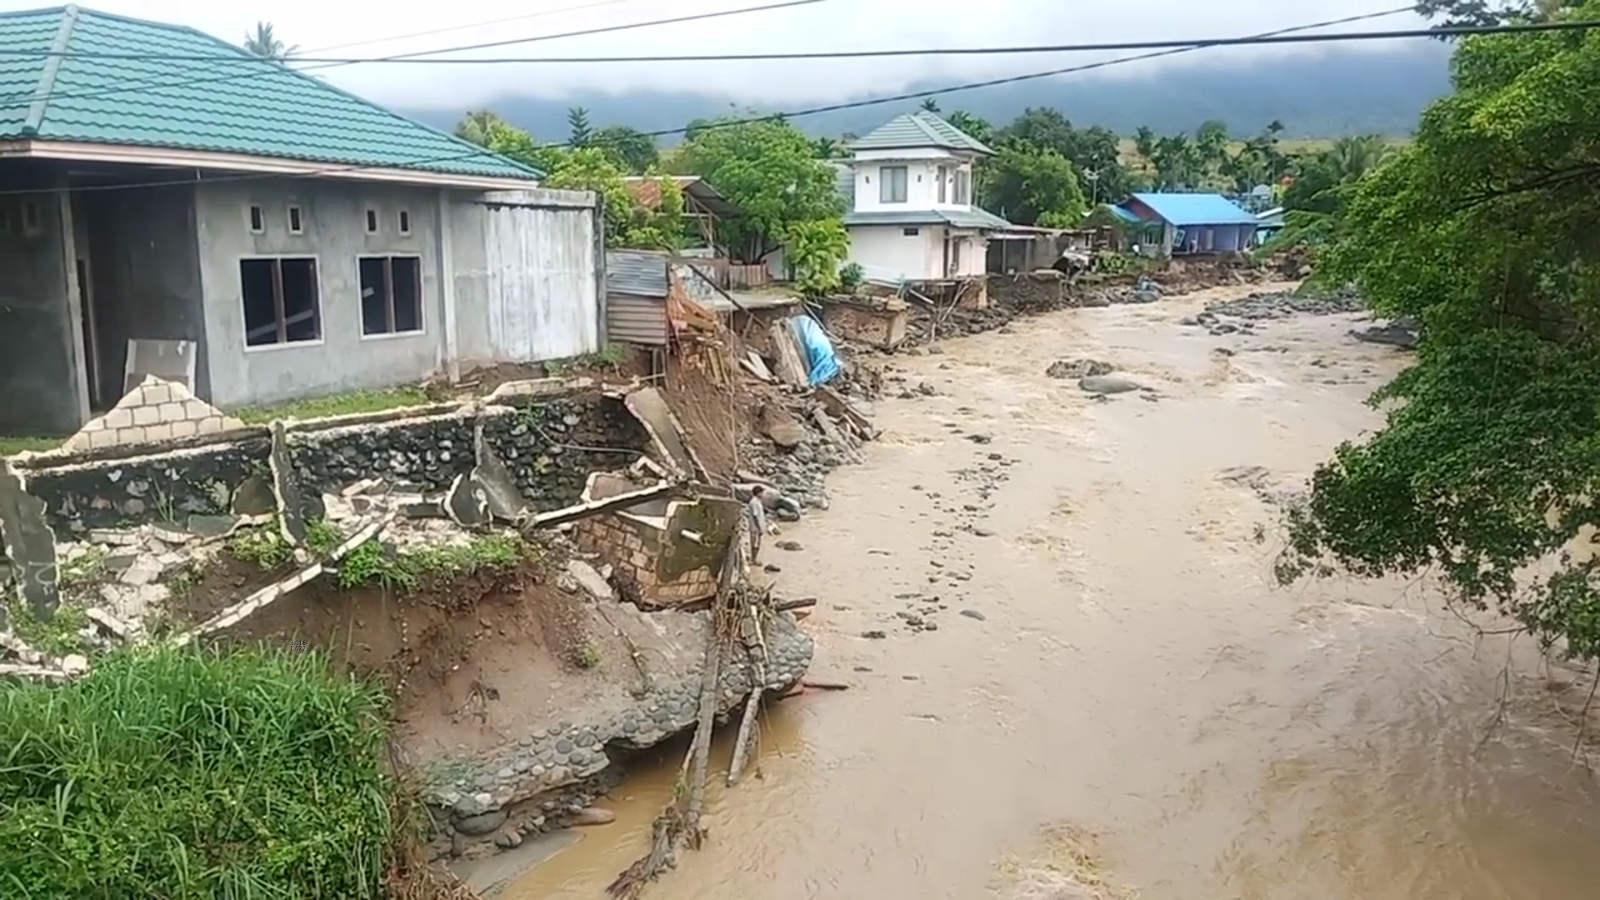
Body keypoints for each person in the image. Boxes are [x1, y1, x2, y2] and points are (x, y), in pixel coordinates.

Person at [746, 485, 772, 560]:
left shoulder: (757, 501)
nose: (763, 494)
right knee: (755, 544)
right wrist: (759, 527)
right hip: (755, 527)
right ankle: (754, 559)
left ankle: (754, 558)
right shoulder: (754, 502)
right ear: (758, 493)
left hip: (757, 526)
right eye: (762, 493)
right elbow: (755, 515)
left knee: (757, 543)